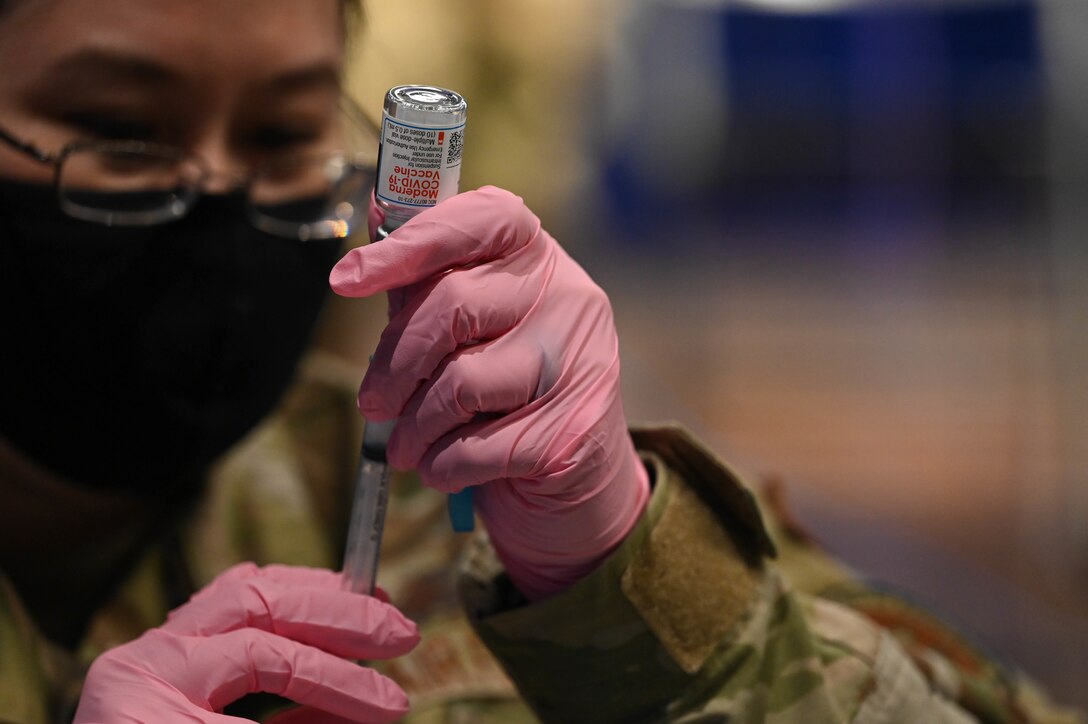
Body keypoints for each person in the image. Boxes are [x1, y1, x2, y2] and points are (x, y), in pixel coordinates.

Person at [0, 1, 1081, 722]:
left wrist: (624, 577)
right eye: (120, 129)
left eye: (284, 137)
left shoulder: (439, 507)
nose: (224, 197)